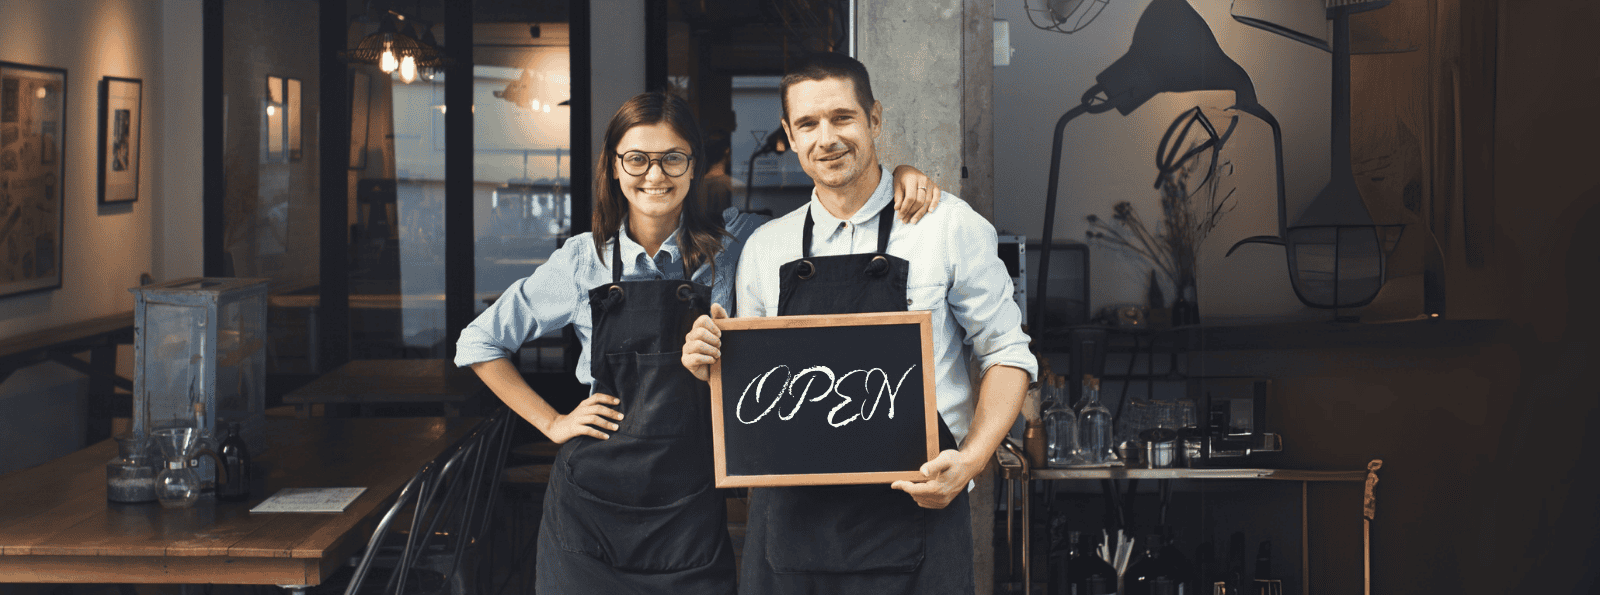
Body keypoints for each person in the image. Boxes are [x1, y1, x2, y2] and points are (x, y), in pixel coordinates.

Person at [455, 91, 944, 594]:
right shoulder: (583, 261)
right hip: (590, 513)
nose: (655, 175)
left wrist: (898, 176)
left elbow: (833, 213)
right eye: (637, 159)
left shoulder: (740, 244)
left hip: (689, 510)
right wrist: (553, 422)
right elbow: (479, 342)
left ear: (693, 168)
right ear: (615, 169)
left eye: (673, 159)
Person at [680, 52, 1037, 594]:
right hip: (793, 530)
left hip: (916, 515)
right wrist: (710, 362)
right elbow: (750, 396)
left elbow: (1006, 353)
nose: (827, 137)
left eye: (842, 118)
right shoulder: (766, 248)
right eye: (808, 124)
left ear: (874, 119)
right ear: (790, 136)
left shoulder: (946, 227)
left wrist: (971, 461)